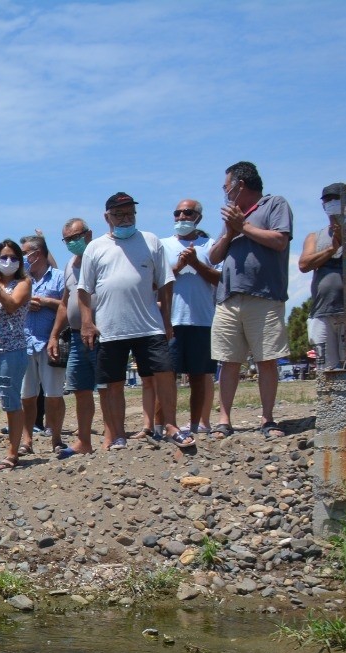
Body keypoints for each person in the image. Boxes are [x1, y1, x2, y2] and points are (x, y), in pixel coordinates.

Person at [78, 192, 181, 449]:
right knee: (114, 383)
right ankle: (118, 435)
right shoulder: (95, 248)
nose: (126, 219)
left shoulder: (151, 241)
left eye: (130, 214)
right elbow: (83, 290)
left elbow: (166, 282)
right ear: (107, 217)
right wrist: (87, 322)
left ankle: (171, 425)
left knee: (165, 372)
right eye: (119, 214)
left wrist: (167, 320)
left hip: (149, 326)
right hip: (111, 328)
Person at [209, 162, 293, 438]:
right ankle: (224, 420)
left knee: (266, 359)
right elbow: (214, 256)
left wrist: (242, 226)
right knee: (228, 360)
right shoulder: (233, 218)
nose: (225, 192)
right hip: (229, 298)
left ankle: (268, 419)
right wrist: (231, 231)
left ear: (240, 185)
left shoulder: (274, 204)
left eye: (226, 187)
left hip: (264, 296)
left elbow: (279, 240)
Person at [160, 200, 223, 435]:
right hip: (172, 321)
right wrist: (178, 267)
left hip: (202, 320)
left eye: (187, 212)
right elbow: (157, 281)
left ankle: (196, 425)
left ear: (198, 217)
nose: (181, 217)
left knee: (199, 376)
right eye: (177, 213)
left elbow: (220, 280)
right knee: (167, 377)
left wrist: (196, 263)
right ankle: (165, 425)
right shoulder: (163, 245)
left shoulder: (211, 246)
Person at [0, 240, 34, 469]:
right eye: (3, 257)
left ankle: (12, 452)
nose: (8, 261)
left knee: (10, 401)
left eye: (13, 257)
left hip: (12, 350)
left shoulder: (24, 283)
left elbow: (11, 305)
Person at [300, 184, 346, 371]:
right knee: (326, 371)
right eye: (327, 200)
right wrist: (331, 249)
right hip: (322, 312)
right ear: (323, 205)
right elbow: (304, 264)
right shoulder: (315, 236)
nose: (332, 203)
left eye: (336, 199)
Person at [47, 219, 98, 457]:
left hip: (101, 333)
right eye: (67, 239)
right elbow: (65, 304)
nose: (72, 243)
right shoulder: (69, 265)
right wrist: (54, 335)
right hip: (77, 336)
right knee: (80, 389)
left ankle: (112, 437)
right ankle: (84, 441)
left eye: (76, 237)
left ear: (88, 234)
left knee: (108, 387)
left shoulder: (99, 258)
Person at [19, 233, 66, 453]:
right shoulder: (21, 280)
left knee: (53, 396)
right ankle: (26, 441)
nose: (21, 257)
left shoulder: (59, 277)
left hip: (50, 343)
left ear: (36, 254)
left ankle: (56, 439)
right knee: (26, 397)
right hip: (24, 344)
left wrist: (47, 302)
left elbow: (68, 306)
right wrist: (25, 303)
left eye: (24, 253)